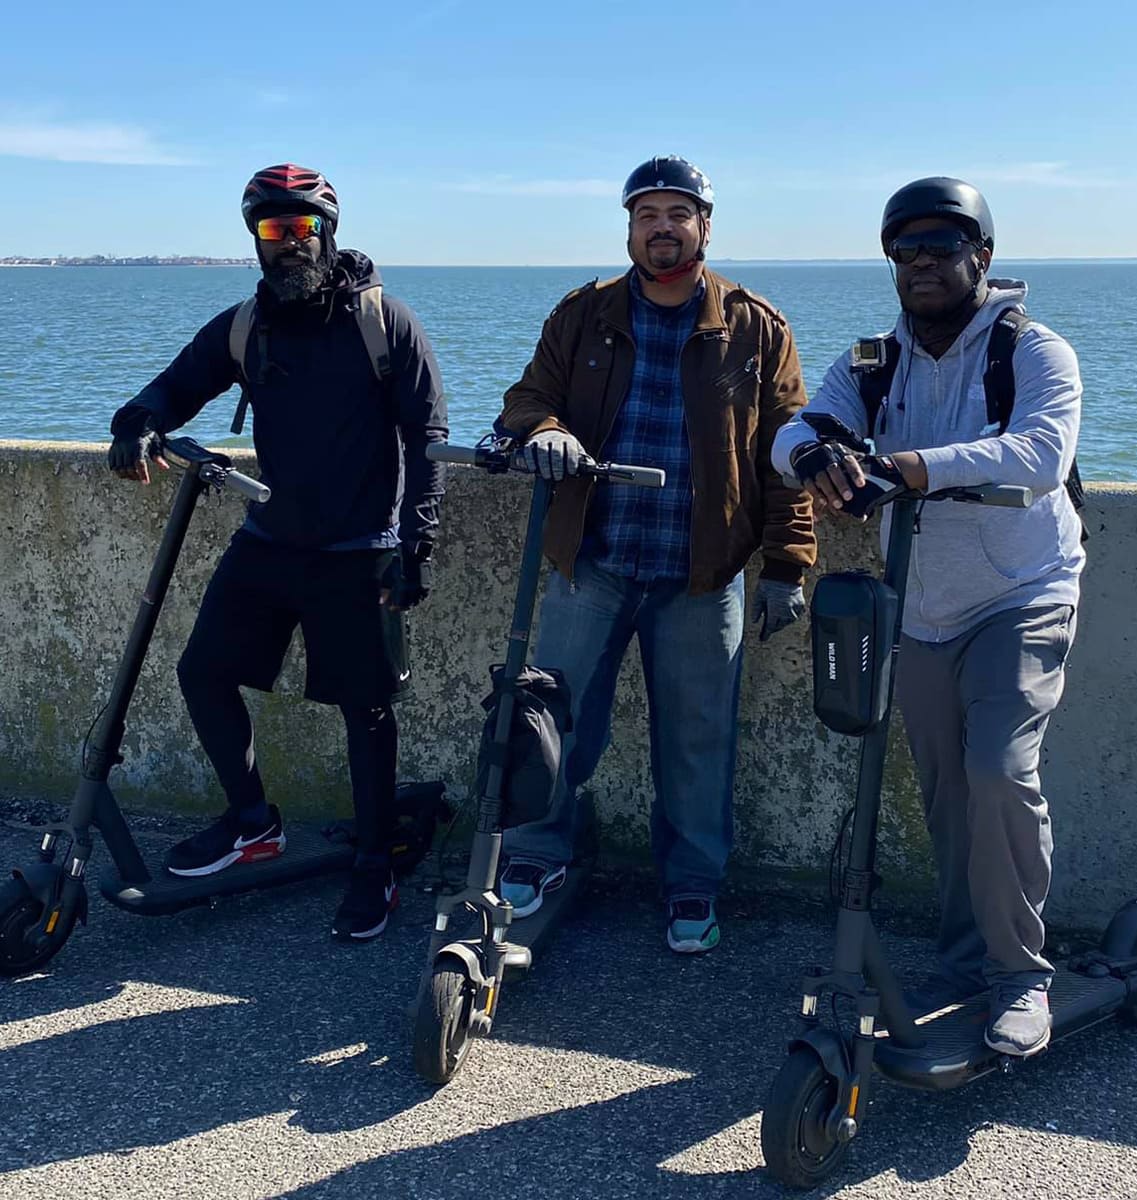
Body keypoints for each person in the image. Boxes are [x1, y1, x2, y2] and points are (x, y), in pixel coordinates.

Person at [772, 177, 1084, 1055]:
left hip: (1024, 593)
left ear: (981, 256)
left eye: (940, 248)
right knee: (947, 791)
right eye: (902, 251)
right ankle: (964, 957)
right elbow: (793, 431)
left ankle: (1022, 975)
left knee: (997, 772)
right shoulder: (874, 361)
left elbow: (1039, 454)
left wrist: (903, 467)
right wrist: (822, 460)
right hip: (921, 605)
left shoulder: (1032, 350)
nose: (920, 265)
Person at [107, 163, 448, 942]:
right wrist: (137, 419)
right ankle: (253, 821)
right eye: (273, 229)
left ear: (329, 230)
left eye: (303, 227)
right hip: (269, 539)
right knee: (203, 671)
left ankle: (374, 859)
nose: (290, 243)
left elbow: (427, 438)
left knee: (365, 712)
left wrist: (418, 542)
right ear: (254, 239)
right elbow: (172, 387)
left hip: (361, 547)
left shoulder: (384, 322)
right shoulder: (245, 325)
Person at [494, 155, 815, 954]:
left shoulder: (757, 327)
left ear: (706, 225)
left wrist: (787, 565)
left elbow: (790, 450)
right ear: (629, 227)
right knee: (556, 722)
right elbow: (526, 399)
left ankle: (693, 884)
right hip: (593, 558)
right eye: (647, 214)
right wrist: (547, 431)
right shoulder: (583, 313)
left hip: (702, 575)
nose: (662, 227)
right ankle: (537, 854)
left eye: (679, 213)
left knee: (699, 740)